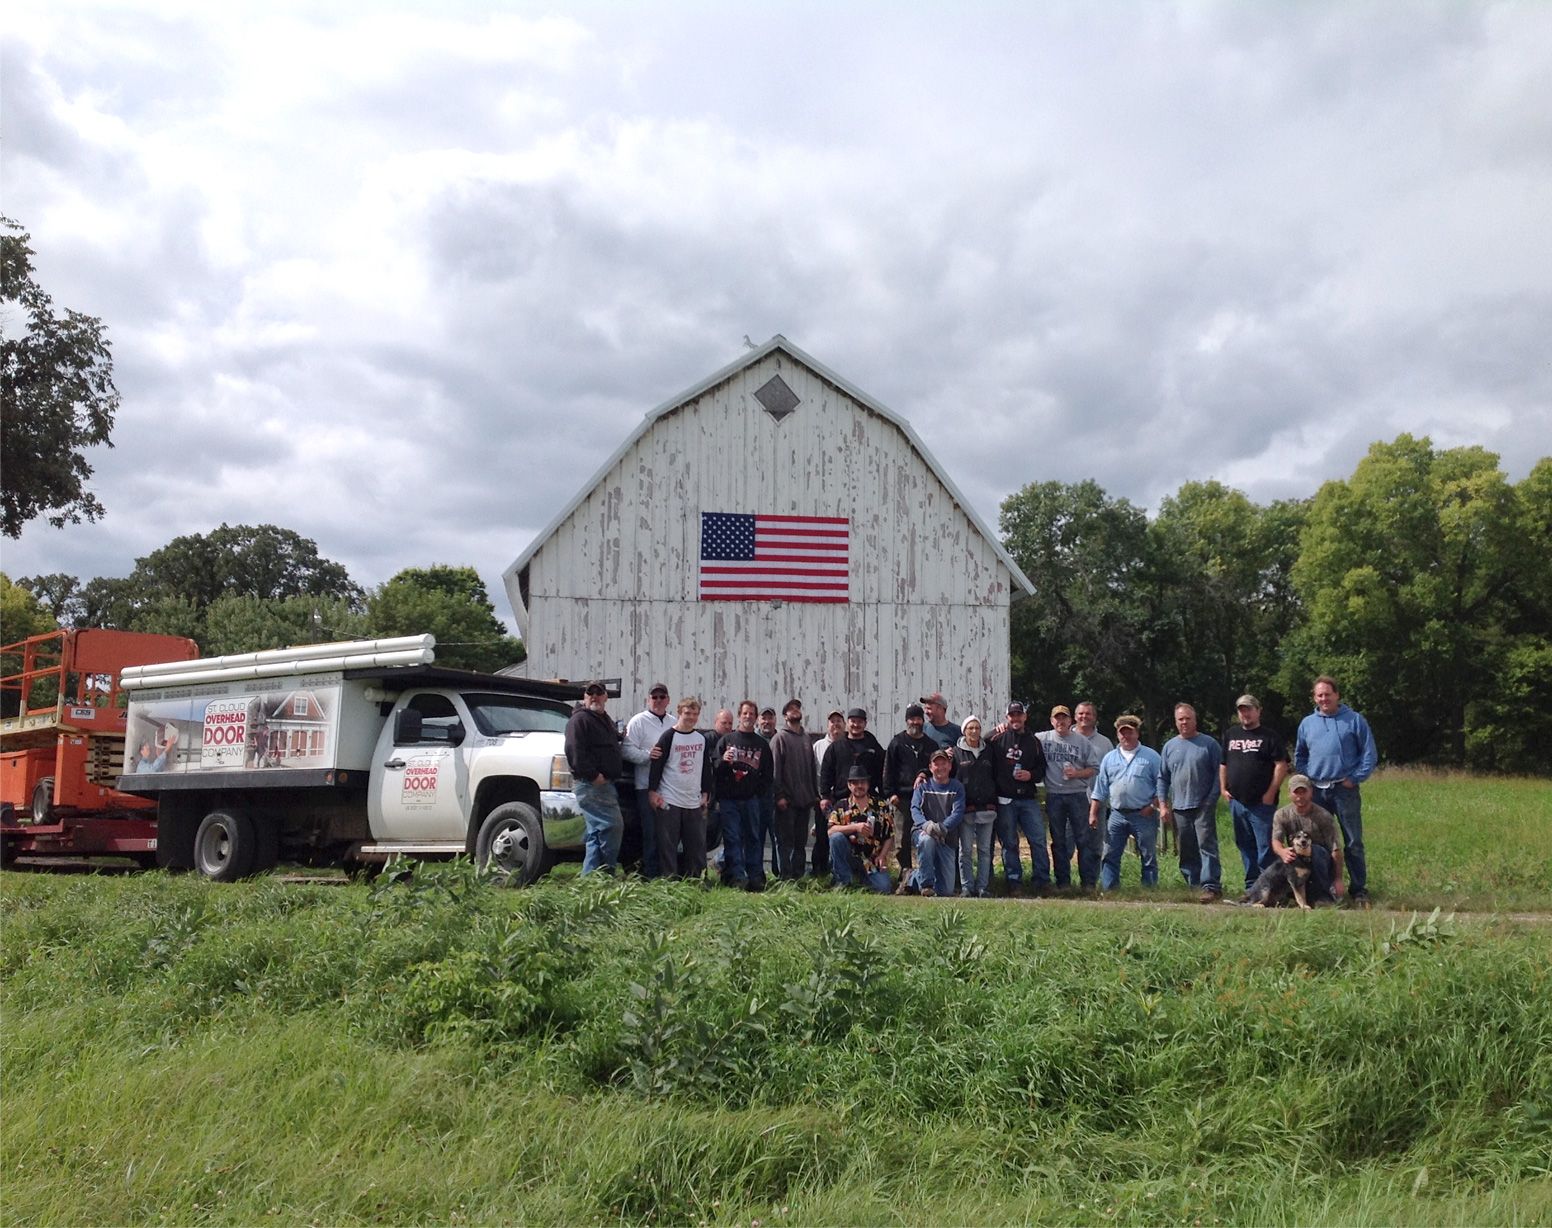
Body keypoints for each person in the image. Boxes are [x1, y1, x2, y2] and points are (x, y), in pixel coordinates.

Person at [1295, 676, 1378, 906]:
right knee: (1319, 844)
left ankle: (1359, 890)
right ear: (1314, 697)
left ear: (1337, 695)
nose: (1324, 699)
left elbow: (1369, 754)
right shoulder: (1307, 724)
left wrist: (1355, 778)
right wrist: (1306, 777)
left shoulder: (1354, 720)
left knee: (1352, 841)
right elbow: (1300, 755)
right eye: (1319, 695)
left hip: (1344, 790)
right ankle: (1324, 889)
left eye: (1327, 694)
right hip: (1317, 792)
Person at [1220, 693, 1288, 891]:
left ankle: (1272, 889)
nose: (1245, 713)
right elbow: (1223, 764)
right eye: (1242, 710)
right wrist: (1223, 788)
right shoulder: (1231, 734)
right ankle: (1252, 888)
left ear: (1258, 711)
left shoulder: (1270, 736)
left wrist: (1271, 792)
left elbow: (1281, 765)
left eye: (1249, 709)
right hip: (1237, 802)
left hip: (1262, 804)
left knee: (1266, 847)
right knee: (1245, 845)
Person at [1089, 714, 1165, 891]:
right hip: (1116, 814)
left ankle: (1149, 891)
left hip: (1143, 814)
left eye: (1129, 732)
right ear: (1117, 734)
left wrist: (1152, 806)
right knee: (1110, 855)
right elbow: (1100, 788)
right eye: (1122, 733)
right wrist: (1093, 813)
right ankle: (1110, 891)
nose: (1126, 736)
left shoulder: (1151, 757)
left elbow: (1161, 786)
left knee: (1148, 855)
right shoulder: (1109, 758)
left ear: (1137, 733)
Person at [1160, 703, 1225, 902]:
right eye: (1180, 719)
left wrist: (1211, 800)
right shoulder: (1170, 747)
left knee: (1206, 845)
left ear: (1195, 720)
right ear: (1176, 722)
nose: (1184, 722)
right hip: (1180, 807)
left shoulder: (1209, 744)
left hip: (1203, 804)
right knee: (1186, 848)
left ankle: (1211, 886)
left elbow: (1219, 774)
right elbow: (1162, 778)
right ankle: (1193, 885)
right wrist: (1164, 805)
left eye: (1188, 718)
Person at [646, 697, 714, 880]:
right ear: (679, 713)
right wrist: (652, 791)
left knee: (696, 845)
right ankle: (668, 880)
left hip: (693, 800)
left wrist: (706, 792)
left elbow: (706, 768)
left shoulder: (701, 739)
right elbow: (657, 765)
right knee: (668, 844)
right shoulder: (669, 736)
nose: (691, 717)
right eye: (687, 713)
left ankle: (696, 880)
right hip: (670, 798)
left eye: (694, 714)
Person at [987, 701, 1050, 894]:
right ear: (1007, 718)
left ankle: (1042, 881)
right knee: (1010, 843)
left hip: (1028, 798)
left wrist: (1031, 775)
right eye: (1011, 715)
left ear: (1025, 717)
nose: (1015, 718)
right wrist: (992, 730)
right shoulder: (997, 738)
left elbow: (1042, 769)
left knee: (1038, 840)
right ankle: (1014, 883)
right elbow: (978, 742)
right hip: (1005, 799)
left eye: (1018, 715)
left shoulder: (1034, 741)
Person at [564, 681, 626, 875]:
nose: (594, 696)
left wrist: (621, 736)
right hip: (592, 785)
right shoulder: (580, 719)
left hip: (603, 784)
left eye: (599, 693)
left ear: (606, 697)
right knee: (612, 826)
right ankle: (606, 873)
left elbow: (609, 741)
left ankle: (590, 880)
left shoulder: (602, 718)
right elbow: (574, 750)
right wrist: (593, 775)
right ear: (584, 697)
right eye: (590, 693)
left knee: (595, 834)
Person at [1036, 705, 1100, 890]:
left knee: (1083, 839)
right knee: (1058, 841)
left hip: (1077, 796)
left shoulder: (1081, 742)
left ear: (1070, 720)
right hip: (1054, 795)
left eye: (1064, 718)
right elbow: (1020, 736)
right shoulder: (1042, 739)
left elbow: (1094, 769)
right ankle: (1063, 883)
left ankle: (1088, 883)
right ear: (1051, 721)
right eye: (1057, 718)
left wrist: (1077, 773)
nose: (1060, 722)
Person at [713, 700, 773, 890]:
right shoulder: (727, 741)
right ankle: (737, 876)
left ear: (756, 718)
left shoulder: (761, 745)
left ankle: (755, 876)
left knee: (753, 837)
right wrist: (723, 761)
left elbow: (768, 774)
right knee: (732, 838)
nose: (748, 717)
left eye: (751, 714)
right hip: (729, 800)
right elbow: (714, 768)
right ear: (739, 716)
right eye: (745, 713)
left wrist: (757, 792)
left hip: (751, 799)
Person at [1260, 773, 1344, 904]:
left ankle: (1324, 895)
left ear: (1311, 792)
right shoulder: (1282, 814)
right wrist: (1282, 852)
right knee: (1279, 861)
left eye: (1303, 792)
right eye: (1296, 792)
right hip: (1296, 858)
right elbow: (1276, 841)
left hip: (1320, 859)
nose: (1300, 797)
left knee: (1314, 850)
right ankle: (1274, 895)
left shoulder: (1323, 816)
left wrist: (1338, 879)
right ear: (1289, 793)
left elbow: (1336, 848)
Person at [621, 683, 673, 878]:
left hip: (670, 787)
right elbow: (626, 750)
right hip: (645, 787)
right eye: (654, 697)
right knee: (650, 832)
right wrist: (647, 755)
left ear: (668, 700)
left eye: (662, 697)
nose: (658, 700)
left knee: (668, 834)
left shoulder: (674, 722)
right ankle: (650, 874)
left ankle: (668, 873)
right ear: (648, 699)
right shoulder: (638, 722)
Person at [884, 703, 937, 879]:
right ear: (907, 721)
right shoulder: (897, 742)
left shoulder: (931, 744)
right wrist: (890, 793)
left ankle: (926, 873)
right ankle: (904, 873)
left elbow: (937, 768)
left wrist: (924, 772)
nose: (915, 722)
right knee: (902, 838)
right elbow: (888, 769)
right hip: (902, 797)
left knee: (926, 836)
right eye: (912, 718)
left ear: (923, 721)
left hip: (926, 798)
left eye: (918, 718)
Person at [770, 698, 820, 881]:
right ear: (785, 716)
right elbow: (774, 770)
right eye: (790, 709)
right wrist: (779, 795)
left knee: (800, 842)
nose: (794, 711)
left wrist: (814, 794)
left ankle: (798, 876)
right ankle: (785, 877)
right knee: (785, 842)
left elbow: (812, 769)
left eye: (797, 708)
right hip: (787, 801)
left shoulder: (806, 739)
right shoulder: (779, 738)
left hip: (804, 801)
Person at [827, 764, 895, 892]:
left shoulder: (880, 805)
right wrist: (855, 827)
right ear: (849, 785)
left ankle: (861, 881)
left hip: (871, 860)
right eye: (855, 783)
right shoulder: (841, 805)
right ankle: (843, 882)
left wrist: (882, 856)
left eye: (863, 782)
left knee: (884, 888)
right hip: (849, 857)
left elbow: (889, 835)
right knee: (836, 838)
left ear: (868, 784)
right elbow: (830, 830)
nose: (859, 786)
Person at [952, 716, 998, 898]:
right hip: (966, 808)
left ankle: (982, 887)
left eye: (977, 728)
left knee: (985, 850)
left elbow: (996, 774)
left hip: (987, 807)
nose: (974, 731)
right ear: (964, 731)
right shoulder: (956, 752)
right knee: (965, 850)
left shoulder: (989, 752)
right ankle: (966, 887)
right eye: (970, 728)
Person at [910, 748, 965, 897]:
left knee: (945, 891)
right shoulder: (922, 787)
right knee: (927, 840)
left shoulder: (957, 787)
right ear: (930, 767)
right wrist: (927, 826)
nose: (940, 767)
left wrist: (942, 827)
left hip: (946, 837)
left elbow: (958, 813)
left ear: (950, 766)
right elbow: (915, 810)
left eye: (944, 763)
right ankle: (926, 885)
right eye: (936, 764)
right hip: (923, 831)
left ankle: (912, 877)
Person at [819, 708, 885, 813]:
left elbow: (882, 771)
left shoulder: (873, 746)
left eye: (860, 722)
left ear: (865, 724)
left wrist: (883, 794)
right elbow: (826, 772)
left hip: (868, 799)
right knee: (840, 829)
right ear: (847, 723)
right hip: (841, 799)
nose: (856, 725)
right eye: (853, 721)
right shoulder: (836, 747)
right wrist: (825, 796)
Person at [810, 709, 845, 876]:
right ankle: (819, 871)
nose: (836, 724)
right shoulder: (818, 746)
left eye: (839, 721)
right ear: (828, 725)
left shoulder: (848, 745)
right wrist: (820, 796)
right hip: (823, 799)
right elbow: (813, 772)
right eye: (833, 721)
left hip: (841, 799)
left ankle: (837, 870)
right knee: (822, 836)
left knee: (839, 835)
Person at [757, 706, 780, 876]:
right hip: (756, 797)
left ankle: (779, 874)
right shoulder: (752, 739)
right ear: (758, 720)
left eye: (770, 718)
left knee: (778, 838)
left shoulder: (781, 739)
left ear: (775, 720)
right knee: (756, 837)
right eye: (763, 718)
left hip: (777, 796)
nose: (767, 721)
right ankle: (756, 873)